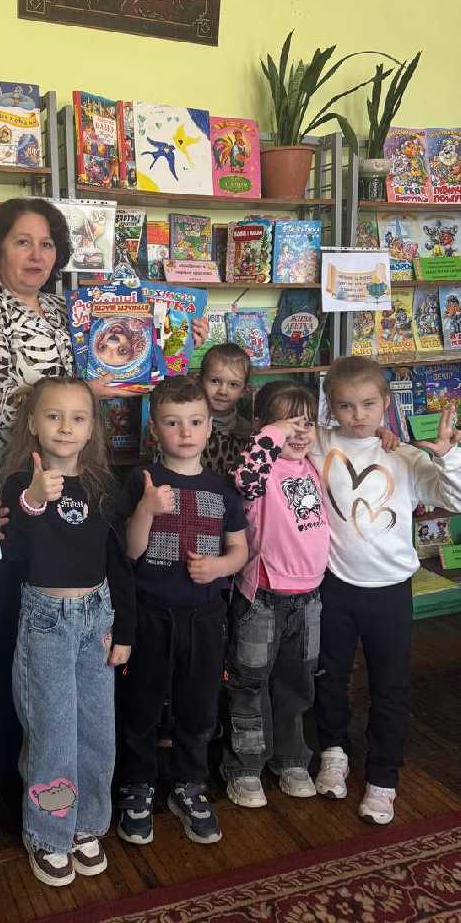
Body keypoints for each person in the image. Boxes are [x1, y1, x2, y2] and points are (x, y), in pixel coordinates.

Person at [0, 197, 209, 779]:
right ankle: (12, 767)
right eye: (22, 241)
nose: (36, 254)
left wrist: (169, 343)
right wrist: (80, 396)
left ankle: (74, 764)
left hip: (80, 477)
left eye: (46, 244)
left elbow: (120, 361)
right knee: (16, 621)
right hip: (15, 485)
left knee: (81, 608)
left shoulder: (64, 308)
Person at [311, 356, 461, 825]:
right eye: (346, 406)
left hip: (391, 591)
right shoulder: (319, 442)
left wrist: (448, 455)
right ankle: (333, 750)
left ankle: (383, 776)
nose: (357, 415)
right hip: (335, 586)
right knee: (329, 676)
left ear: (386, 404)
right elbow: (277, 441)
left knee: (390, 685)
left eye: (368, 404)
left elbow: (454, 498)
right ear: (330, 407)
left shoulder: (406, 456)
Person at [0, 377, 135, 887]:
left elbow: (119, 563)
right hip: (46, 621)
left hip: (98, 618)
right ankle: (49, 832)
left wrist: (125, 629)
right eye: (53, 416)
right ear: (33, 424)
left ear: (92, 428)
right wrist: (34, 501)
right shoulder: (19, 483)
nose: (65, 427)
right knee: (53, 731)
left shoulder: (103, 485)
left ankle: (87, 825)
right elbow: (14, 556)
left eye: (78, 417)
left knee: (97, 729)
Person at [116, 376, 248, 847]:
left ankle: (190, 784)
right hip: (151, 614)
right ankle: (137, 785)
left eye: (195, 422)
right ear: (155, 430)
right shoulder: (141, 480)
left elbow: (240, 551)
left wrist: (219, 567)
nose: (185, 432)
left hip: (205, 616)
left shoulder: (222, 488)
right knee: (142, 704)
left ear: (210, 427)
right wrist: (146, 510)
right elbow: (130, 553)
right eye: (173, 423)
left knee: (198, 706)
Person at [222, 382, 330, 808]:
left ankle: (291, 758)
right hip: (263, 598)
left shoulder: (313, 466)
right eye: (288, 423)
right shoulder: (261, 472)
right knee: (249, 685)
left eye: (307, 423)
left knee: (296, 685)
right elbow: (246, 478)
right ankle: (245, 766)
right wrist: (273, 434)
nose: (299, 432)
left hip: (310, 598)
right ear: (263, 429)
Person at [199, 343, 253, 477]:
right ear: (200, 381)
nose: (223, 391)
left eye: (233, 384)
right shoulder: (190, 426)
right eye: (215, 381)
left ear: (244, 390)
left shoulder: (247, 432)